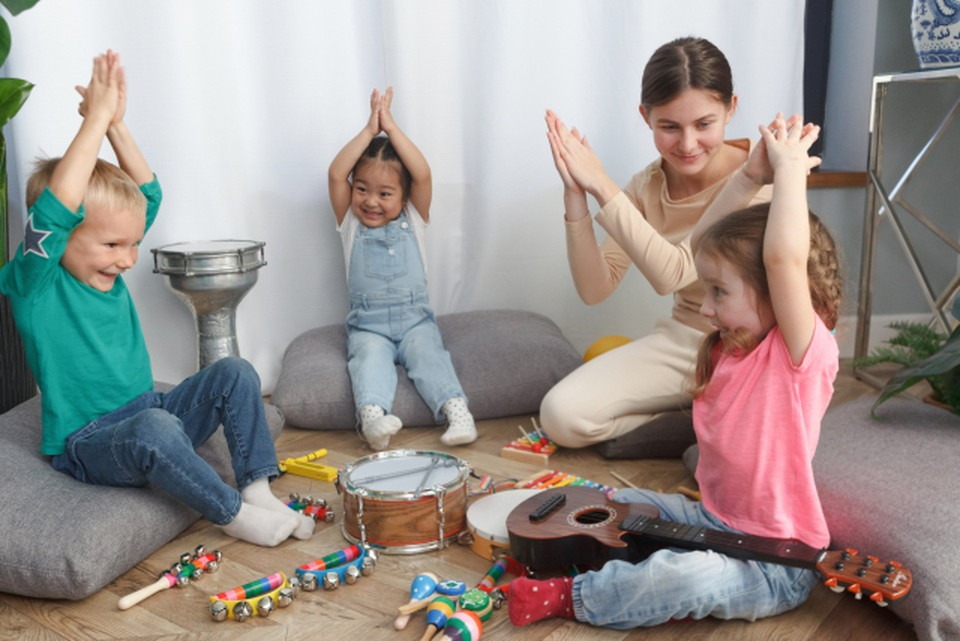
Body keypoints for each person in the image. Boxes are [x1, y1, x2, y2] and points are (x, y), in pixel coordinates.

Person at [508, 114, 841, 629]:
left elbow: (783, 257)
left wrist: (790, 170)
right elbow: (698, 249)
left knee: (686, 579)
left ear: (777, 291)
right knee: (615, 502)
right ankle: (574, 547)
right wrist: (749, 177)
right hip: (710, 519)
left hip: (778, 559)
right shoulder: (727, 347)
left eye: (719, 294)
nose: (704, 308)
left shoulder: (798, 357)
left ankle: (574, 596)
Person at [0, 51, 313, 547]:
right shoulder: (35, 282)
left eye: (133, 245)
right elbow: (55, 209)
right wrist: (94, 124)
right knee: (153, 430)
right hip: (91, 443)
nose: (127, 260)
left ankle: (256, 488)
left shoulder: (106, 257)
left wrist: (116, 127)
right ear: (59, 240)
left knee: (236, 372)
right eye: (111, 246)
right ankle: (234, 514)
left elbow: (149, 195)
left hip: (157, 410)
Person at [539, 36, 775, 457]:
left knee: (759, 436)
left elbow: (676, 271)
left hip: (755, 348)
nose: (687, 145)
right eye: (669, 126)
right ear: (645, 116)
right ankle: (689, 420)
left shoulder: (759, 175)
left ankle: (704, 415)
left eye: (704, 124)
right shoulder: (647, 186)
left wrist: (603, 185)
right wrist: (577, 195)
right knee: (560, 415)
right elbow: (595, 288)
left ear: (731, 109)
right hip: (689, 341)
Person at [328, 87, 477, 450]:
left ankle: (457, 412)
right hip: (368, 326)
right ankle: (373, 420)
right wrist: (368, 130)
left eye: (385, 193)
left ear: (404, 197)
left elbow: (422, 174)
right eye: (362, 189)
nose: (371, 201)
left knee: (430, 357)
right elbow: (336, 175)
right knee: (367, 362)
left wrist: (390, 128)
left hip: (416, 322)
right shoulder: (350, 222)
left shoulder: (415, 216)